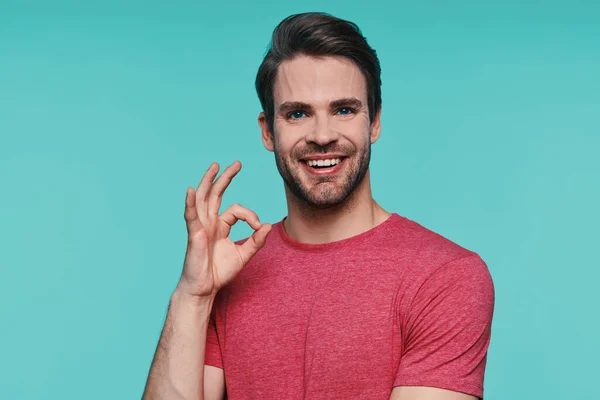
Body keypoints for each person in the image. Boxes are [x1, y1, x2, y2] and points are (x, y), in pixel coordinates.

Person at [143, 12, 495, 400]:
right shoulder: (228, 274)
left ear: (374, 122)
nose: (323, 136)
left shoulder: (445, 276)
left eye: (344, 110)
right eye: (297, 113)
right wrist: (193, 296)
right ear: (267, 131)